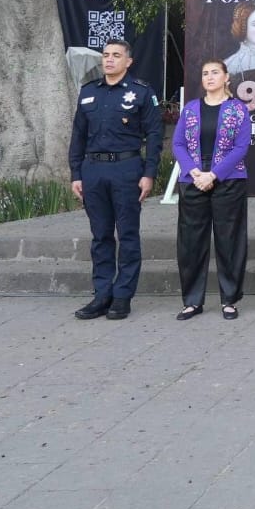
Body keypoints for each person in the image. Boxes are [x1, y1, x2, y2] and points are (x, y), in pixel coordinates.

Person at [68, 39, 163, 321]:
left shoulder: (141, 93)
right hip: (93, 170)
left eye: (116, 55)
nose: (109, 60)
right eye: (106, 55)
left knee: (128, 234)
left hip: (126, 169)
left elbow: (155, 135)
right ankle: (102, 294)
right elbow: (78, 136)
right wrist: (76, 173)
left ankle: (122, 296)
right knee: (101, 236)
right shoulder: (88, 92)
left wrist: (149, 174)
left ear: (128, 61)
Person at [171, 59, 252, 320]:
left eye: (215, 72)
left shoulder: (238, 109)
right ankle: (192, 300)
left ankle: (230, 299)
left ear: (226, 77)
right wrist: (194, 171)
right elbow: (178, 143)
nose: (209, 77)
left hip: (228, 180)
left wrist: (214, 175)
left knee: (230, 240)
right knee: (191, 242)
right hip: (193, 179)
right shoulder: (191, 109)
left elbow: (241, 147)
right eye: (205, 73)